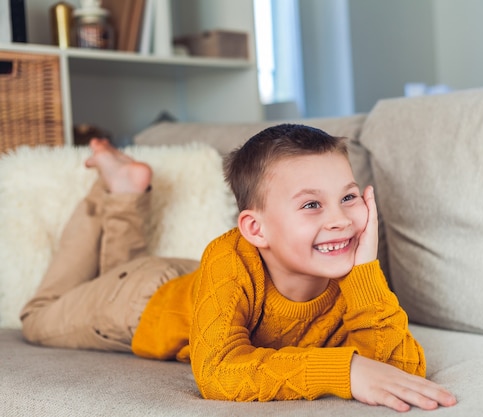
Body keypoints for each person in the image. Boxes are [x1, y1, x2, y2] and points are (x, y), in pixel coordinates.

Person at [21, 125, 457, 412]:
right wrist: (342, 369)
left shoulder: (350, 275)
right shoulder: (229, 258)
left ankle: (125, 188)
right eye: (311, 204)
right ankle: (109, 194)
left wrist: (363, 273)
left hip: (191, 281)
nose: (341, 220)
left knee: (118, 269)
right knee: (39, 316)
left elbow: (400, 371)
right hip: (138, 304)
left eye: (348, 197)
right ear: (255, 228)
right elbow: (218, 374)